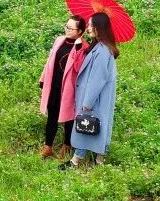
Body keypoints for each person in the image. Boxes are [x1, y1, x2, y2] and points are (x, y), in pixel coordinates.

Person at [62, 12, 118, 169]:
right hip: (98, 99)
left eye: (92, 25)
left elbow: (96, 80)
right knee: (97, 127)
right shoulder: (100, 48)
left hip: (94, 99)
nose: (88, 28)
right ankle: (98, 160)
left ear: (100, 28)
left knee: (85, 127)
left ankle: (76, 161)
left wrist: (87, 102)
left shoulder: (102, 51)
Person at [38, 15, 90, 158]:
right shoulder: (59, 40)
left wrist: (78, 48)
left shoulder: (83, 47)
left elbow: (79, 68)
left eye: (71, 28)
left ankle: (66, 146)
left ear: (80, 31)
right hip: (54, 84)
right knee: (52, 116)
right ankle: (48, 147)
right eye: (66, 26)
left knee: (69, 118)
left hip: (69, 88)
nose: (67, 30)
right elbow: (49, 61)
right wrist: (43, 79)